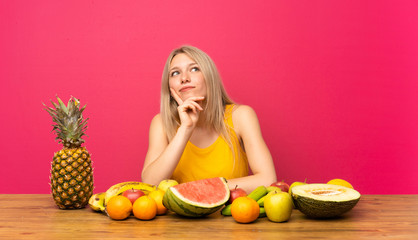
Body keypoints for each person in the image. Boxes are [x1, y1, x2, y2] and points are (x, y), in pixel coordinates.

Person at [141, 45, 277, 193]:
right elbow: (150, 183)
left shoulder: (241, 116)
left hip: (233, 214)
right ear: (169, 86)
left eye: (194, 69)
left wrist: (201, 188)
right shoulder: (161, 123)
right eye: (175, 73)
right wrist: (185, 129)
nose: (184, 78)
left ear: (209, 77)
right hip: (180, 217)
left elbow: (267, 179)